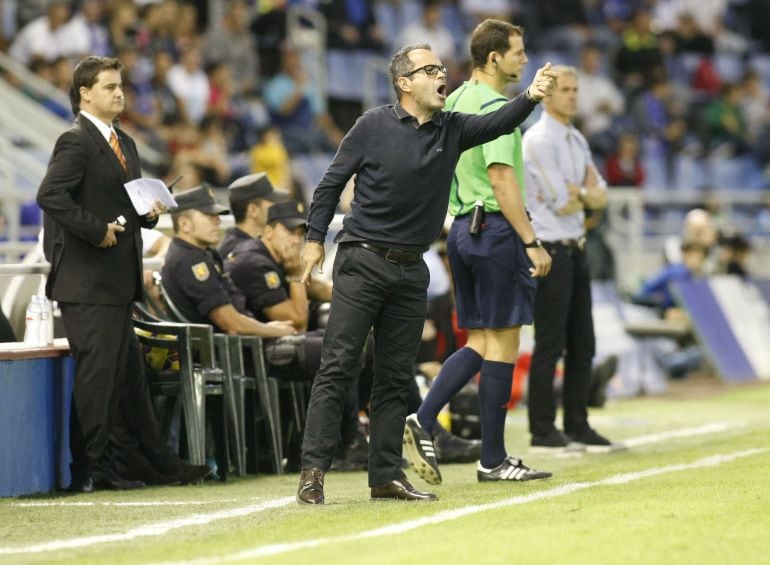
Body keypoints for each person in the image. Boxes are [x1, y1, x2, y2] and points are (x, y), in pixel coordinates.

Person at [295, 42, 556, 504]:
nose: (442, 75)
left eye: (442, 67)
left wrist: (531, 96)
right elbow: (329, 184)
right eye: (430, 69)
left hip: (412, 269)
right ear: (404, 82)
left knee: (396, 376)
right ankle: (313, 471)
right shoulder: (372, 125)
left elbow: (496, 122)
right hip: (362, 260)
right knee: (338, 365)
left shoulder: (453, 128)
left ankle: (385, 476)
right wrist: (315, 239)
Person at [36, 56, 208, 491]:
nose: (119, 92)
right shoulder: (75, 141)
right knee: (98, 380)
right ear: (84, 95)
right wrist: (97, 231)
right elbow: (50, 196)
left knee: (130, 380)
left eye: (120, 85)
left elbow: (125, 203)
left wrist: (148, 214)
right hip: (87, 282)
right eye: (109, 87)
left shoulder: (124, 142)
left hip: (116, 282)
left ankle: (153, 464)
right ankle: (90, 471)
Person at [402, 19, 553, 487]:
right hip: (497, 232)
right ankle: (489, 456)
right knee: (503, 345)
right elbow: (504, 179)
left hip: (463, 235)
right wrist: (531, 240)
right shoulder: (495, 109)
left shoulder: (455, 101)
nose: (524, 60)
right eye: (517, 53)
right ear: (493, 58)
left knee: (479, 343)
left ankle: (426, 420)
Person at [523, 66, 624, 453]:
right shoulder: (538, 140)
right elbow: (565, 201)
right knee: (550, 342)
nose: (572, 96)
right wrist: (584, 194)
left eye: (575, 89)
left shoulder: (577, 139)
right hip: (550, 247)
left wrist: (581, 194)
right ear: (547, 95)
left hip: (576, 245)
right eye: (564, 89)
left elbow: (599, 195)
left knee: (584, 343)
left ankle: (578, 424)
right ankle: (542, 430)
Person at [160, 186, 295, 340]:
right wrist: (277, 332)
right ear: (184, 224)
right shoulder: (190, 261)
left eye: (216, 215)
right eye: (209, 215)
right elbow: (231, 324)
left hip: (242, 341)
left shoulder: (200, 253)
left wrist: (265, 327)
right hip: (229, 351)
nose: (217, 221)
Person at [218, 173, 285, 259]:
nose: (276, 208)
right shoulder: (242, 251)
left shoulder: (248, 243)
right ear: (253, 210)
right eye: (271, 203)